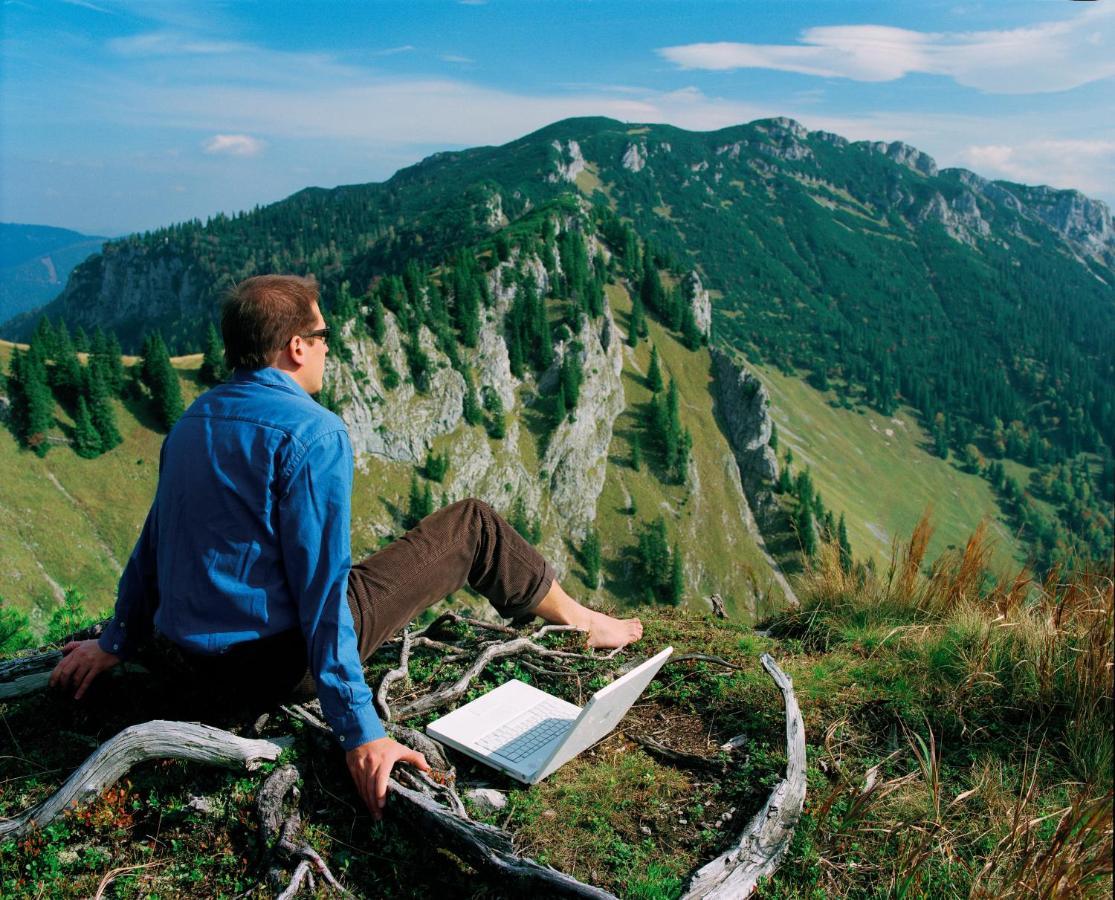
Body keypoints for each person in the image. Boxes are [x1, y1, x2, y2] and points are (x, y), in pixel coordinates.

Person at [49, 274, 643, 821]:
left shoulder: (193, 420)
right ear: (295, 348)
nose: (329, 346)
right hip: (275, 667)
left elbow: (152, 544)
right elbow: (323, 593)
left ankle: (579, 618)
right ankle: (584, 622)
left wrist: (116, 641)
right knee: (471, 525)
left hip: (188, 661)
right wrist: (360, 733)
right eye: (322, 334)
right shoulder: (313, 432)